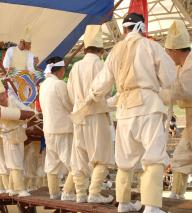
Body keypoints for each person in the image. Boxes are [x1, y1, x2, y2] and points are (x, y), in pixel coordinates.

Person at [82, 13, 176, 213]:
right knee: (153, 156)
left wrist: (92, 96)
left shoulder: (115, 51)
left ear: (124, 30)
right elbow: (168, 78)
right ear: (142, 28)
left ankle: (123, 203)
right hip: (147, 106)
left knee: (124, 160)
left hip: (124, 111)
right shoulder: (151, 46)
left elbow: (102, 82)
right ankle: (151, 206)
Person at [67, 25, 115, 203]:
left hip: (79, 115)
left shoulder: (75, 67)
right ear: (101, 49)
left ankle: (80, 194)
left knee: (79, 156)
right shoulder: (101, 65)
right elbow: (107, 92)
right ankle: (94, 193)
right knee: (101, 155)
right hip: (96, 113)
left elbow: (71, 93)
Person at [160, 20, 192, 200]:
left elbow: (182, 90)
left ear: (173, 51)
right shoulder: (180, 66)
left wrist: (160, 93)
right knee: (181, 158)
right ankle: (177, 195)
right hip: (189, 119)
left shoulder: (190, 66)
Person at [0, 75, 31, 197]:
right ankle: (20, 189)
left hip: (19, 134)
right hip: (7, 137)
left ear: (5, 93)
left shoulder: (13, 100)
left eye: (1, 94)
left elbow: (26, 109)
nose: (0, 98)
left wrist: (34, 114)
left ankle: (12, 188)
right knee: (14, 163)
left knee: (16, 162)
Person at [39, 56, 75, 201]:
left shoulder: (43, 85)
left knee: (52, 161)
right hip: (62, 128)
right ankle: (67, 191)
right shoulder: (59, 84)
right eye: (64, 69)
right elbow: (69, 105)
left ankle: (54, 192)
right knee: (73, 162)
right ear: (59, 70)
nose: (64, 71)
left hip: (48, 128)